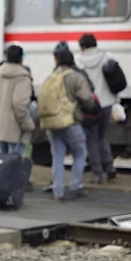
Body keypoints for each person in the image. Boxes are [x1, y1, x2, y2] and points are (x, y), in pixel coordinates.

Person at [38, 48, 97, 201]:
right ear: (72, 60)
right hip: (71, 122)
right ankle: (75, 186)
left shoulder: (51, 77)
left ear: (56, 61)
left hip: (51, 122)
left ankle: (58, 191)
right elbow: (87, 99)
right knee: (80, 152)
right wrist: (92, 109)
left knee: (57, 155)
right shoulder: (76, 77)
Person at [75, 34, 118, 183]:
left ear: (83, 46)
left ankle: (97, 172)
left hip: (91, 105)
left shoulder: (78, 61)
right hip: (107, 103)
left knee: (91, 138)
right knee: (102, 135)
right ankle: (110, 166)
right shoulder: (107, 56)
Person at [0, 45, 35, 156]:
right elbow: (19, 104)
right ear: (21, 59)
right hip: (15, 127)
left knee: (3, 161)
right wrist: (28, 124)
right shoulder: (22, 76)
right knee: (15, 162)